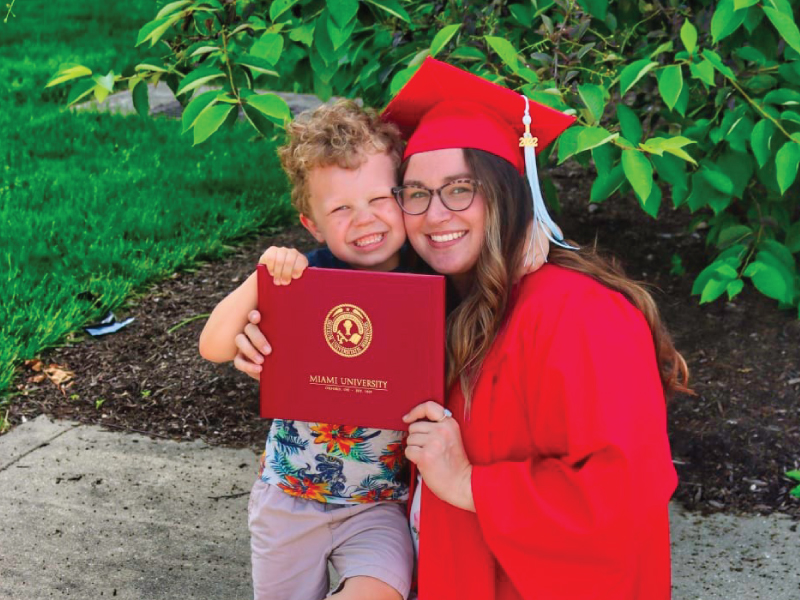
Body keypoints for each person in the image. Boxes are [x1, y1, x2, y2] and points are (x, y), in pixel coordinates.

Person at [235, 58, 689, 599]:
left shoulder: (581, 313)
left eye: (459, 188)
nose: (435, 214)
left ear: (507, 192)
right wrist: (279, 354)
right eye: (417, 193)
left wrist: (471, 484)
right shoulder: (427, 305)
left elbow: (625, 493)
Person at [200, 100, 415, 600]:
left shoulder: (431, 283)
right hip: (287, 501)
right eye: (340, 208)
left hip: (378, 504)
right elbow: (213, 346)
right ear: (313, 224)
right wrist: (262, 278)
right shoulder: (301, 279)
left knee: (381, 592)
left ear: (405, 196)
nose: (365, 220)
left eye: (380, 198)